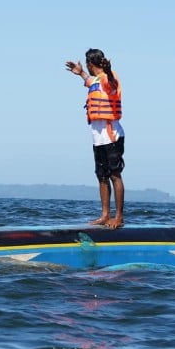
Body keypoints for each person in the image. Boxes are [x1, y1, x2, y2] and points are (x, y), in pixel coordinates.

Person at [65, 48, 125, 229]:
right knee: (101, 176)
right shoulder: (96, 80)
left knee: (115, 175)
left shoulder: (109, 77)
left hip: (112, 135)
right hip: (98, 137)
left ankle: (118, 217)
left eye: (87, 66)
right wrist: (81, 73)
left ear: (92, 64)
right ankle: (105, 215)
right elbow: (92, 82)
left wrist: (107, 70)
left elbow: (111, 84)